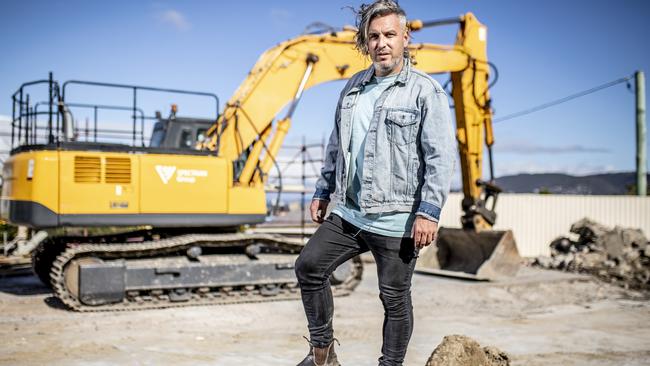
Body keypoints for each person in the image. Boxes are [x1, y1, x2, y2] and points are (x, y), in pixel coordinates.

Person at [294, 1, 456, 365]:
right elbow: (337, 142)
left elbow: (440, 157)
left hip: (398, 217)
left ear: (405, 38)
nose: (381, 43)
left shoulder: (424, 91)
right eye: (374, 36)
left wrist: (429, 212)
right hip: (350, 213)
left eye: (389, 35)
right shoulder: (354, 87)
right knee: (309, 266)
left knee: (394, 298)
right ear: (366, 42)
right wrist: (323, 190)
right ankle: (323, 354)